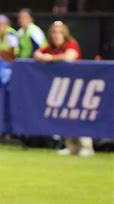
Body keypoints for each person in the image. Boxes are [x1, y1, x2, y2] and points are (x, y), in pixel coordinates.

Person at [34, 21, 93, 157]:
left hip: (78, 86)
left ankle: (86, 147)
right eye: (54, 32)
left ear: (65, 33)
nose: (56, 35)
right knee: (65, 117)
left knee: (79, 116)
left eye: (60, 32)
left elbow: (69, 56)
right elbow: (36, 54)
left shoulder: (71, 44)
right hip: (62, 88)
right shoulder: (49, 47)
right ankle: (71, 146)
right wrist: (43, 56)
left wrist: (51, 58)